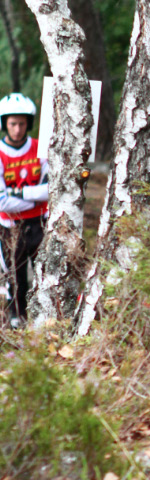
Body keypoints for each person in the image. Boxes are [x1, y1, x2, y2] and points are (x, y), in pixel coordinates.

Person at [0, 92, 48, 328]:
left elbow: (52, 189)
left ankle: (45, 319)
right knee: (15, 278)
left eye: (22, 123)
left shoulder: (41, 148)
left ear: (29, 123)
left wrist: (18, 194)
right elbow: (2, 203)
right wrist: (35, 197)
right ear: (4, 124)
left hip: (40, 223)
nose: (17, 129)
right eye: (12, 124)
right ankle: (17, 321)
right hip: (10, 227)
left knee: (45, 273)